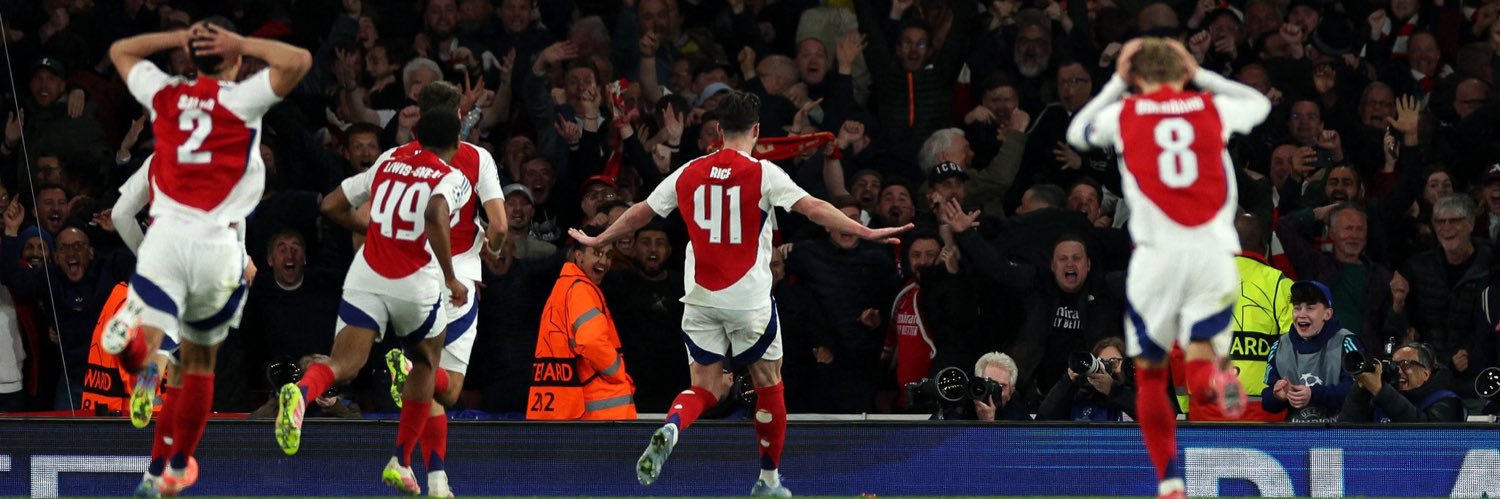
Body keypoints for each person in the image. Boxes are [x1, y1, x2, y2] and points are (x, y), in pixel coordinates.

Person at [570, 90, 911, 496]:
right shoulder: (764, 173)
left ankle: (672, 426)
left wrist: (600, 237)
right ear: (756, 130)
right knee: (769, 384)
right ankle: (768, 480)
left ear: (717, 129)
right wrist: (866, 232)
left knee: (705, 387)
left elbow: (642, 211)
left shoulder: (689, 171)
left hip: (700, 300)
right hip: (748, 303)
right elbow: (814, 208)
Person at [102, 20, 311, 496]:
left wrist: (179, 39)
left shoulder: (166, 94)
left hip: (164, 238)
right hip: (217, 246)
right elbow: (299, 60)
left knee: (156, 349)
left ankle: (134, 353)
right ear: (234, 60)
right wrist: (242, 43)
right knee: (198, 364)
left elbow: (121, 49)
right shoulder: (241, 99)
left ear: (192, 59)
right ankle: (177, 464)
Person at [1066, 37, 1270, 499]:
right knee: (1200, 357)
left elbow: (1078, 132)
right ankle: (1218, 378)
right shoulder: (1207, 108)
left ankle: (1171, 480)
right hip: (1211, 253)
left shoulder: (1128, 112)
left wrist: (1116, 83)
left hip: (1157, 256)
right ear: (1182, 72)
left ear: (1137, 77)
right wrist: (1201, 75)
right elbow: (1258, 105)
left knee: (1152, 376)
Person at [275, 110, 470, 496]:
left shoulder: (386, 161)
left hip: (367, 273)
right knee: (426, 363)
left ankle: (302, 393)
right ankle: (401, 460)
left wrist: (375, 229)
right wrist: (450, 277)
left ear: (416, 134)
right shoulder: (452, 176)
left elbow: (331, 206)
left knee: (343, 364)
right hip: (413, 280)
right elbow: (435, 212)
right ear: (456, 143)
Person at [377, 80, 507, 498]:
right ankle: (419, 463)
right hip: (457, 277)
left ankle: (436, 479)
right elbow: (499, 225)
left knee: (426, 373)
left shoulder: (394, 159)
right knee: (446, 387)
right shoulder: (475, 158)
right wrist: (493, 248)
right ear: (458, 116)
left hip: (407, 276)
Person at [527, 225, 636, 420]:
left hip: (566, 407)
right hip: (600, 411)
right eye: (597, 253)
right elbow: (592, 340)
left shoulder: (563, 287)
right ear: (578, 256)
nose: (604, 261)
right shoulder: (581, 289)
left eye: (609, 255)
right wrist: (618, 371)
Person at [1260, 281, 1361, 422]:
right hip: (1296, 434)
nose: (1301, 314)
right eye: (1297, 308)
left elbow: (1358, 392)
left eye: (1310, 308)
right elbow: (1267, 401)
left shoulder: (1347, 343)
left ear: (1327, 314)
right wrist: (1278, 396)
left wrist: (1313, 394)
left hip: (1339, 433)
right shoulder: (1279, 346)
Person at [1336, 343, 1466, 422]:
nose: (1398, 371)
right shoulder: (1381, 398)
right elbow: (1344, 433)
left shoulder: (1445, 401)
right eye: (1393, 365)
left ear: (1426, 373)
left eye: (1405, 364)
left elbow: (1427, 437)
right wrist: (1360, 390)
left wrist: (1381, 391)